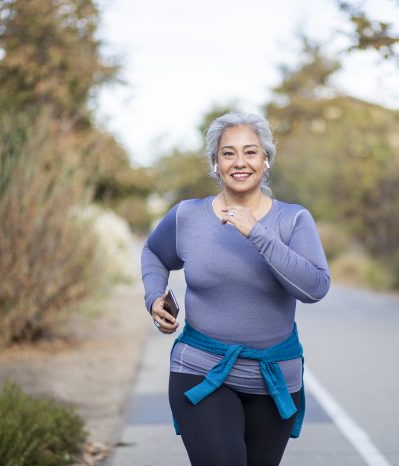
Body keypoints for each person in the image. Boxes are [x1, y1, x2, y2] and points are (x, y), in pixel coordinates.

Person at [141, 111, 330, 466]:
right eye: (228, 153)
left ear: (266, 160)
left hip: (274, 379)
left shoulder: (293, 220)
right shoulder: (187, 216)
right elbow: (153, 252)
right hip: (202, 370)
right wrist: (155, 296)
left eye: (250, 152)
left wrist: (258, 233)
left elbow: (315, 287)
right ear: (215, 163)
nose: (239, 162)